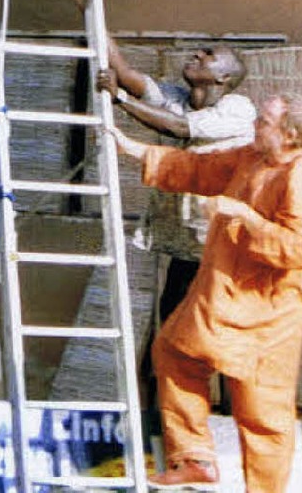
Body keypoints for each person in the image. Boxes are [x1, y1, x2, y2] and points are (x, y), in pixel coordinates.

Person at [108, 94, 302, 492]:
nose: (256, 127)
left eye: (263, 121)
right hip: (224, 294)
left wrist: (244, 215)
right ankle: (194, 458)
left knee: (261, 411)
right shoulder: (251, 156)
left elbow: (295, 249)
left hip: (270, 310)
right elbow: (199, 167)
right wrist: (133, 148)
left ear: (290, 134)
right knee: (174, 353)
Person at [98, 39, 256, 324]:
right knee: (173, 322)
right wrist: (90, 10)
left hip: (226, 250)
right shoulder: (178, 100)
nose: (197, 53)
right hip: (191, 245)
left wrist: (120, 98)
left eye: (209, 54)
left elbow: (179, 127)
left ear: (224, 77)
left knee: (210, 330)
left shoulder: (238, 109)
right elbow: (124, 72)